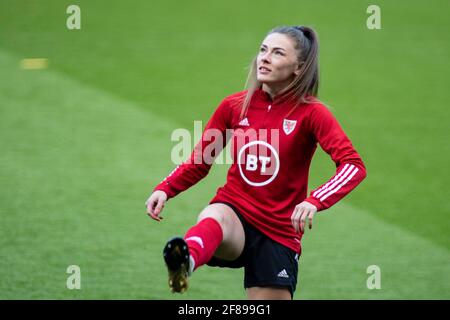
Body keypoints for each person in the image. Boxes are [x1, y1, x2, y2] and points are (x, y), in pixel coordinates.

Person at [145, 25, 367, 300]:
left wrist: (314, 200)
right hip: (235, 212)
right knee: (215, 215)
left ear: (298, 67)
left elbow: (353, 165)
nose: (264, 57)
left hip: (278, 232)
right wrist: (165, 188)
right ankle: (186, 259)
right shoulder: (234, 106)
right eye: (263, 50)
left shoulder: (313, 114)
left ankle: (191, 256)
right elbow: (201, 160)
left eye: (276, 53)